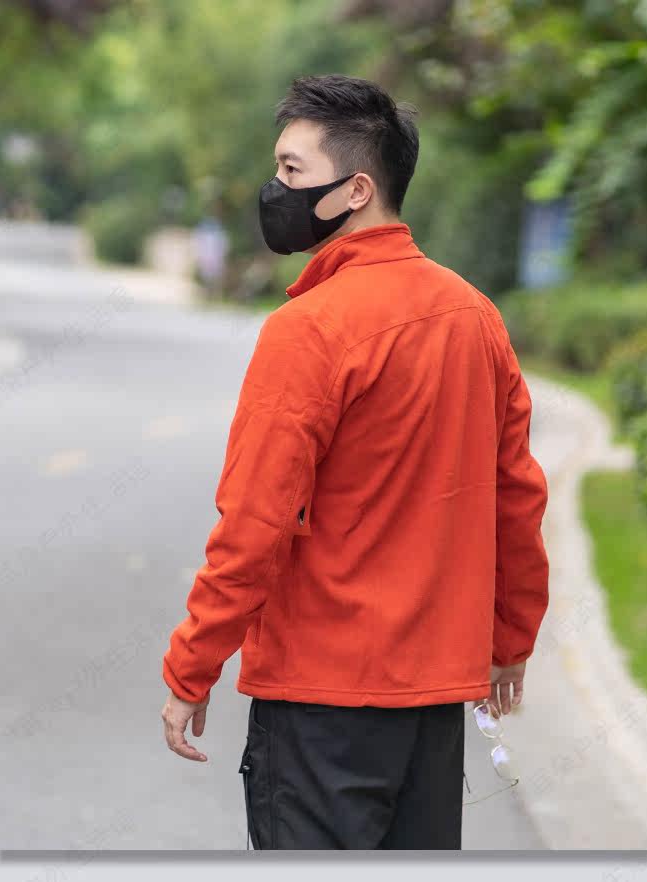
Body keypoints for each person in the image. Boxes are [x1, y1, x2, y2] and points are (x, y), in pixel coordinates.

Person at [161, 74, 549, 850]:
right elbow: (516, 502)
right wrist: (510, 642)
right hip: (432, 711)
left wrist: (190, 667)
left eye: (292, 170)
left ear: (357, 189)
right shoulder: (476, 319)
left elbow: (254, 525)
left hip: (320, 704)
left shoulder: (308, 331)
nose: (275, 189)